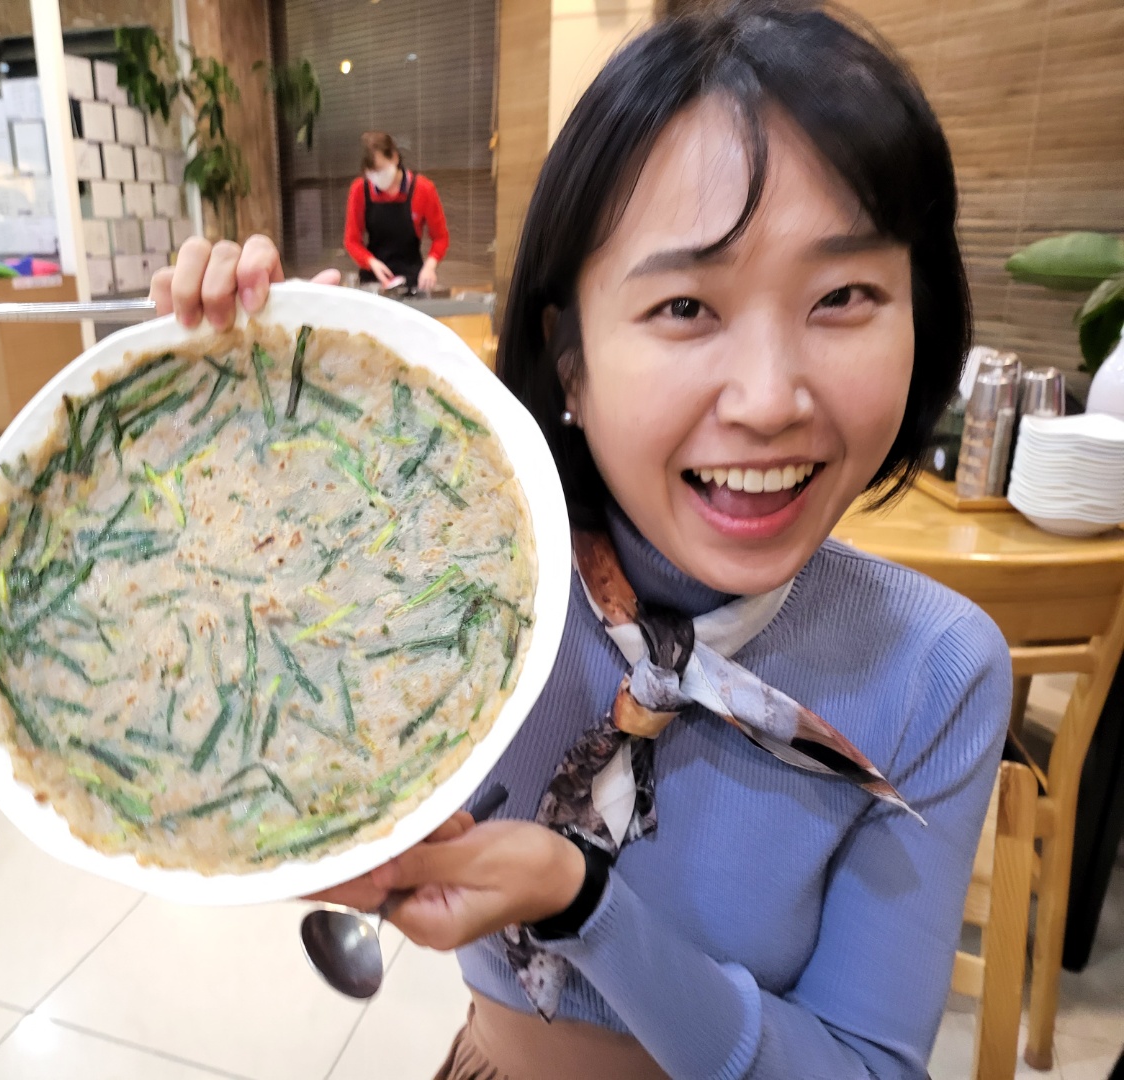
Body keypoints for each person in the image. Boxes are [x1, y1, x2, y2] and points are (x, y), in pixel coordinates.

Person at [149, 3, 1010, 1076]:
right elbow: (235, 752)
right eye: (686, 306)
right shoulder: (469, 581)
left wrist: (583, 903)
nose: (769, 399)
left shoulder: (935, 673)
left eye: (843, 295)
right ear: (571, 361)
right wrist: (257, 424)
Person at [343, 131, 449, 292]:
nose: (377, 177)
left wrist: (430, 267)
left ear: (394, 157)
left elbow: (441, 238)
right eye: (371, 173)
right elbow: (351, 241)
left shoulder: (423, 189)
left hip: (412, 277)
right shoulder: (359, 190)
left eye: (380, 170)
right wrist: (371, 262)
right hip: (374, 278)